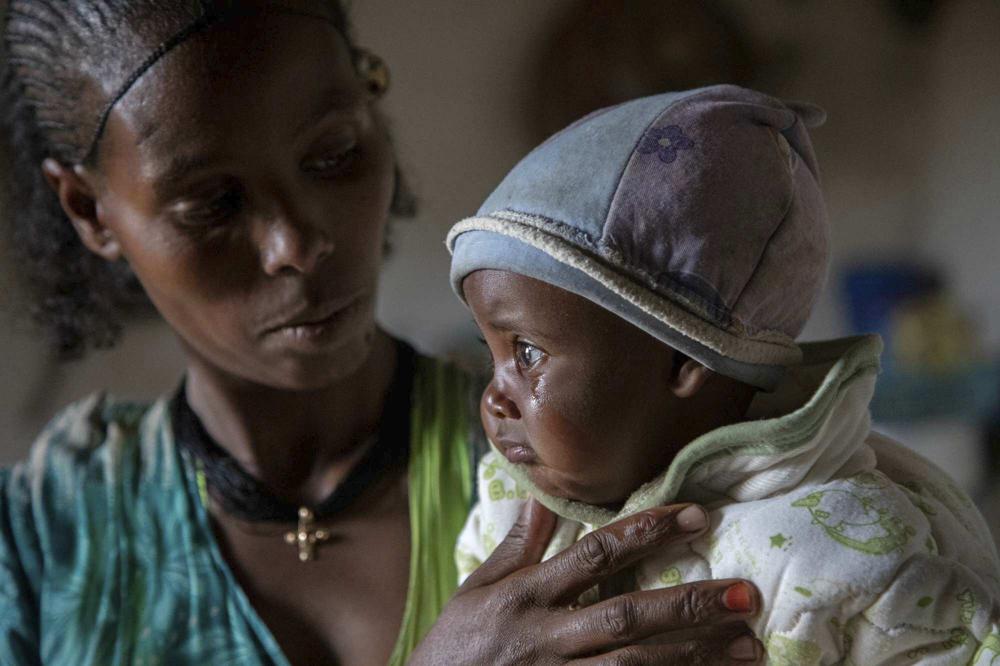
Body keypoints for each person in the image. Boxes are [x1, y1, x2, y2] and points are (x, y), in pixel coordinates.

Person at [0, 2, 764, 664]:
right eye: (213, 203)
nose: (298, 244)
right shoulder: (46, 544)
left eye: (334, 155)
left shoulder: (592, 458)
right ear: (88, 210)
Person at [448, 85, 1000, 664]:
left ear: (685, 362)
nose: (493, 398)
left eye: (528, 354)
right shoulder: (509, 513)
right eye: (494, 358)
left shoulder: (850, 553)